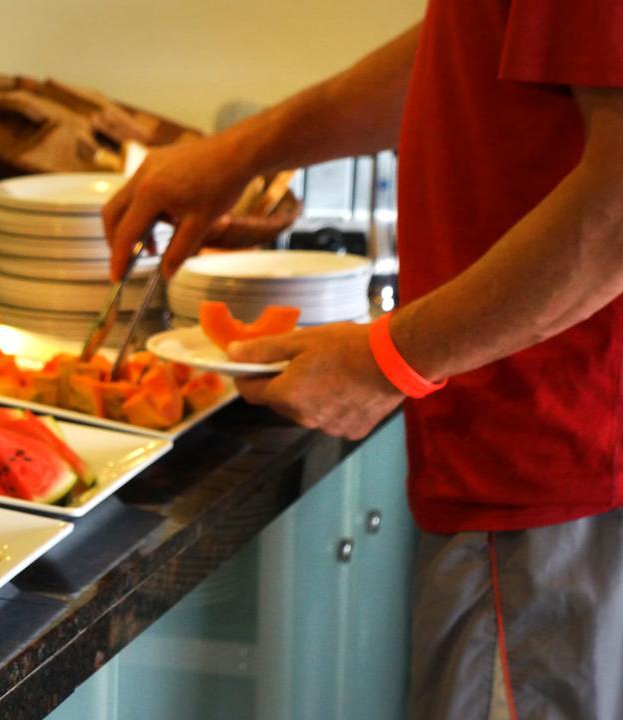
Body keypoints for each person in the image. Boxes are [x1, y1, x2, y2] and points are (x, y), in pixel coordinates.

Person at [103, 3, 623, 718]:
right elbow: (484, 42)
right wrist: (244, 150)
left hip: (561, 469)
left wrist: (387, 360)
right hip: (541, 458)